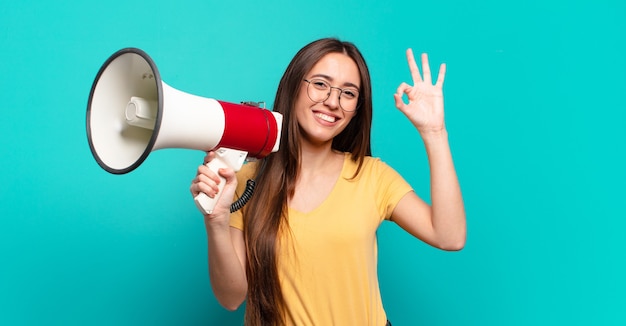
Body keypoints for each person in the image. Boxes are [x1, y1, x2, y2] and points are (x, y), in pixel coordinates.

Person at [190, 37, 466, 326]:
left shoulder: (372, 176)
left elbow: (450, 236)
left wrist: (435, 132)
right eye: (320, 84)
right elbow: (231, 297)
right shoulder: (245, 182)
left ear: (358, 107)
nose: (333, 102)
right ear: (294, 86)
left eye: (348, 93)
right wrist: (217, 221)